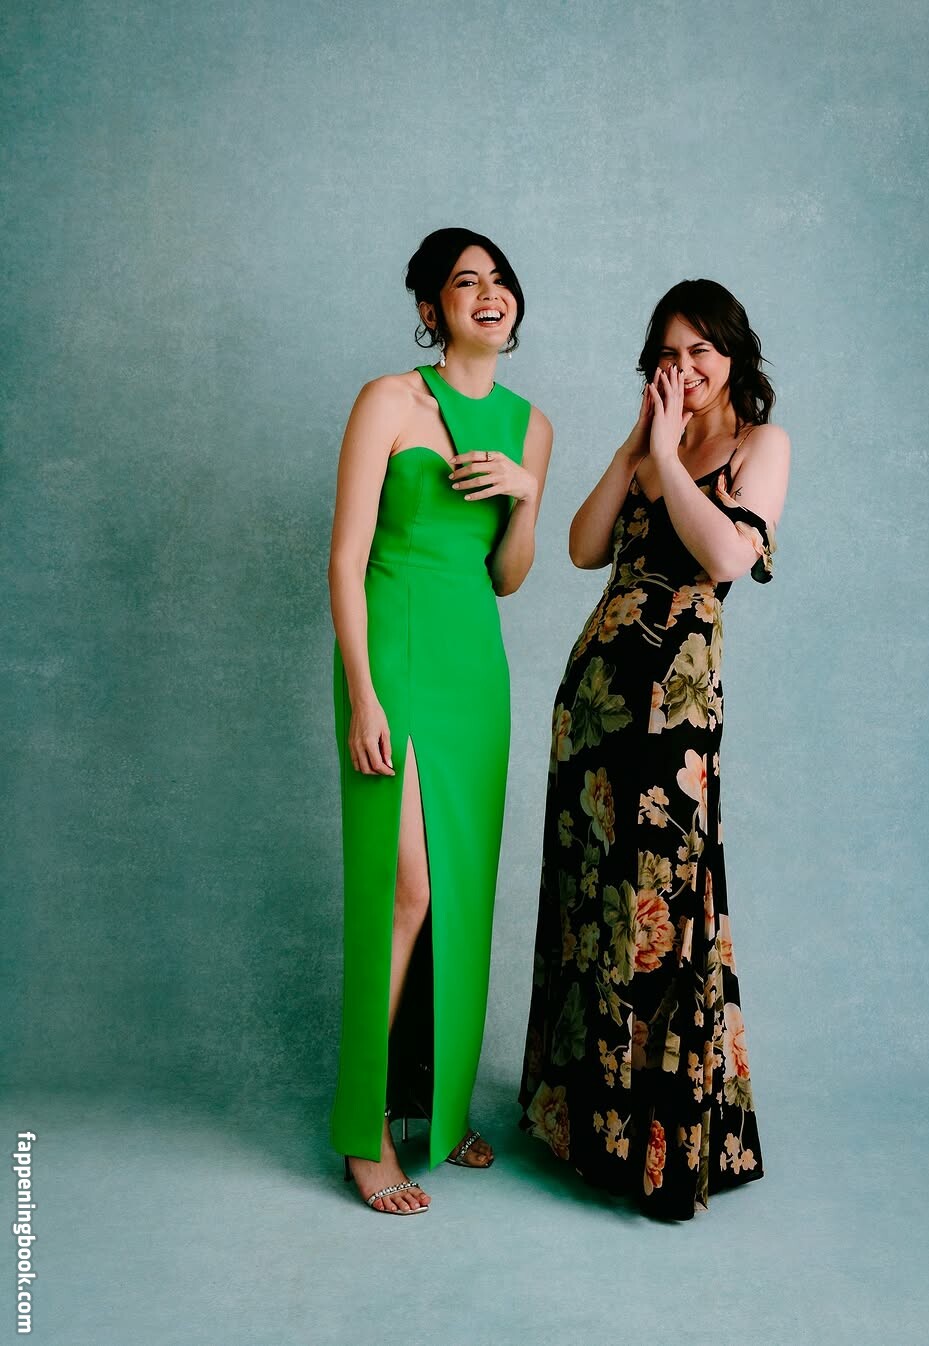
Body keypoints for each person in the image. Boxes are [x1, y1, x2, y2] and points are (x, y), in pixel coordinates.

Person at [519, 279, 789, 1220]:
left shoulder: (759, 446)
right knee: (593, 901)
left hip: (676, 717)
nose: (685, 368)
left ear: (732, 355)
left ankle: (658, 1148)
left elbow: (726, 558)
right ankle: (585, 1128)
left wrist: (671, 460)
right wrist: (638, 443)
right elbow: (582, 547)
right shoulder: (650, 445)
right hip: (594, 703)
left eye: (700, 350)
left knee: (663, 907)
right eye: (669, 354)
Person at [329, 228, 552, 1214]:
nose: (488, 293)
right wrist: (363, 694)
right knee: (407, 890)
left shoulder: (531, 425)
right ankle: (364, 1126)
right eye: (466, 282)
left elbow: (507, 577)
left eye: (499, 279)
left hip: (476, 671)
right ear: (433, 309)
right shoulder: (388, 400)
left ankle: (445, 1103)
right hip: (395, 657)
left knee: (461, 890)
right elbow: (345, 558)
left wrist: (527, 497)